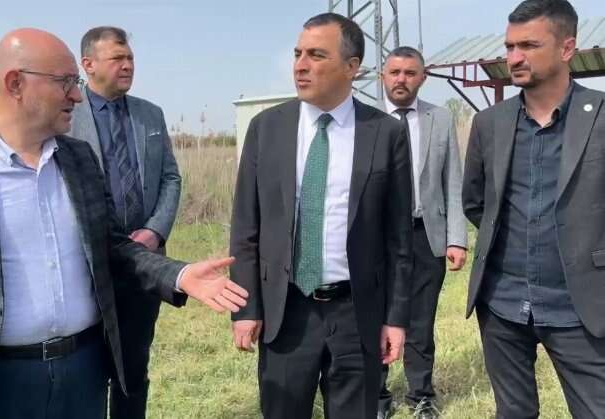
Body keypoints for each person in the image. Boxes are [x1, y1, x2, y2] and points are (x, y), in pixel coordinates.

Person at [0, 28, 247, 419]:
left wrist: (178, 275)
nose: (77, 96)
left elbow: (112, 246)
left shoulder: (78, 159)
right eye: (65, 82)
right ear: (16, 83)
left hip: (81, 376)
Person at [229, 12, 413, 419]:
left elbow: (399, 238)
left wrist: (396, 319)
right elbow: (245, 227)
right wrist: (246, 308)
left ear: (351, 67)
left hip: (357, 313)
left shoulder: (385, 132)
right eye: (298, 54)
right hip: (286, 311)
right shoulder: (266, 129)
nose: (300, 65)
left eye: (316, 55)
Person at [462, 1, 605, 417]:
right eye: (510, 46)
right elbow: (475, 202)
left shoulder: (600, 117)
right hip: (502, 306)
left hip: (582, 307)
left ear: (567, 48)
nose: (514, 57)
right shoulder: (489, 123)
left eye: (528, 45)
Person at [68, 26, 181, 419]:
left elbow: (170, 177)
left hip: (142, 264)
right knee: (84, 368)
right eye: (118, 58)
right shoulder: (66, 115)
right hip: (83, 266)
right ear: (88, 64)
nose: (128, 65)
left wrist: (154, 231)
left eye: (130, 57)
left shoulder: (151, 114)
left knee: (133, 368)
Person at [377, 46, 467, 419]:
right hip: (377, 238)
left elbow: (453, 181)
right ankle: (377, 395)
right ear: (382, 76)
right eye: (395, 72)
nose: (402, 79)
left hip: (425, 234)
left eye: (410, 73)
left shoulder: (440, 118)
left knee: (421, 320)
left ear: (423, 77)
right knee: (375, 315)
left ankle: (421, 396)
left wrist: (456, 237)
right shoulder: (365, 118)